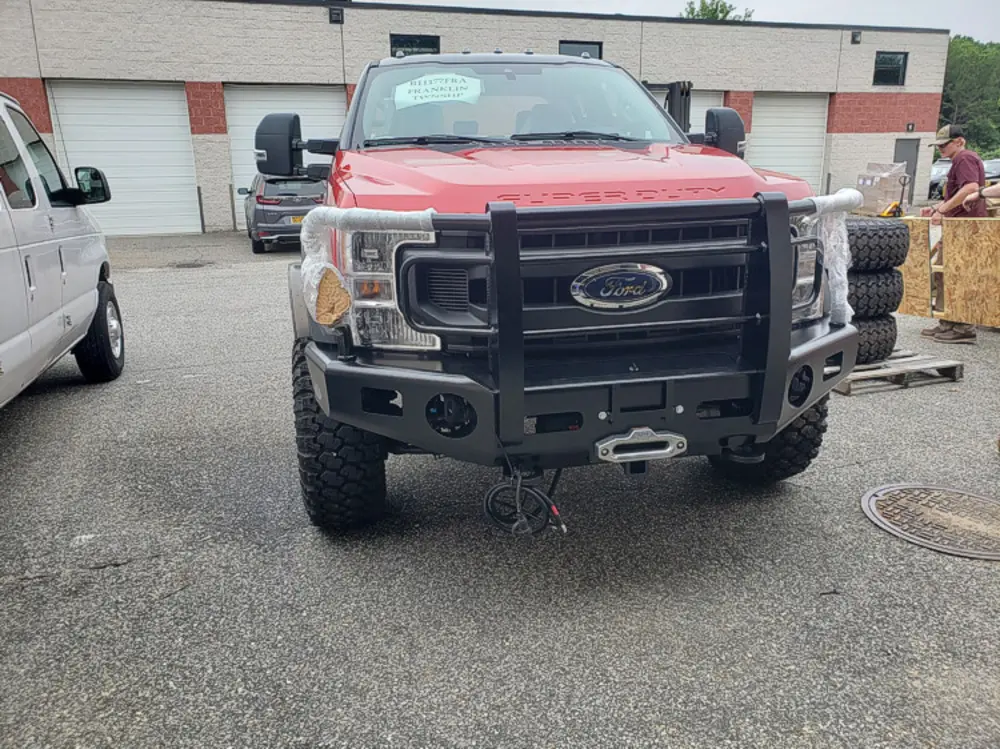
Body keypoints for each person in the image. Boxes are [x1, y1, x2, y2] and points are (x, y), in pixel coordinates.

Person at [919, 125, 987, 344]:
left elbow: (971, 188)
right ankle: (947, 322)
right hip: (957, 226)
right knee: (944, 273)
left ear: (959, 141)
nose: (941, 148)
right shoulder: (958, 160)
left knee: (959, 275)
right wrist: (936, 207)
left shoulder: (965, 158)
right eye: (939, 145)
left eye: (945, 144)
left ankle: (963, 327)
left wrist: (942, 210)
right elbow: (958, 193)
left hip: (965, 227)